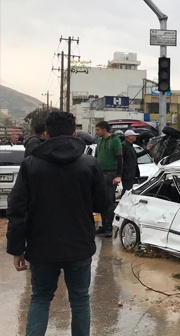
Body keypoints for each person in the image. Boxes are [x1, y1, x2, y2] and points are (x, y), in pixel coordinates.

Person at [6, 112, 109, 336]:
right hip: (79, 245)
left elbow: (16, 209)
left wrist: (16, 249)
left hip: (41, 246)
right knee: (80, 299)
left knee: (40, 298)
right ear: (74, 133)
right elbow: (104, 203)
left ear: (45, 135)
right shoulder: (89, 164)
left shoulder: (30, 165)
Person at [95, 121, 123, 237]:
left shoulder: (115, 141)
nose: (96, 132)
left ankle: (109, 227)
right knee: (101, 199)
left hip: (111, 173)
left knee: (109, 200)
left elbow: (120, 158)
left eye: (98, 130)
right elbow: (96, 157)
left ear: (104, 130)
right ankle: (103, 225)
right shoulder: (99, 140)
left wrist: (119, 175)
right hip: (100, 173)